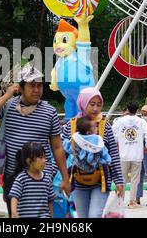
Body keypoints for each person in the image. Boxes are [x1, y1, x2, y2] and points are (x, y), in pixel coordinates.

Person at [0, 64, 70, 217]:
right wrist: (7, 96)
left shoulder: (49, 112)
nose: (36, 90)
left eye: (39, 86)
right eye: (31, 85)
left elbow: (57, 147)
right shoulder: (8, 106)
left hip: (41, 177)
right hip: (13, 175)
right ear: (20, 87)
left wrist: (65, 179)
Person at [62, 87, 124, 218]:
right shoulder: (71, 125)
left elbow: (113, 153)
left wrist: (119, 181)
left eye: (99, 105)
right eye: (92, 104)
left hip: (101, 181)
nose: (95, 108)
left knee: (94, 215)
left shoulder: (104, 125)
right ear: (83, 103)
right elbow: (62, 153)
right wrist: (62, 179)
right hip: (77, 181)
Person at [113, 102, 147, 209]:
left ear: (128, 109)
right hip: (137, 154)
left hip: (123, 154)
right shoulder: (141, 122)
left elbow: (113, 133)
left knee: (122, 179)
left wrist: (118, 142)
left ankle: (120, 201)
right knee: (135, 179)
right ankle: (132, 201)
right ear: (137, 110)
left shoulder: (120, 121)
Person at [9, 142, 57, 218]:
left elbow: (50, 199)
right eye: (41, 157)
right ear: (29, 161)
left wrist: (51, 215)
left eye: (45, 157)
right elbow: (14, 196)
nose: (44, 160)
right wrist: (14, 212)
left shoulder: (47, 178)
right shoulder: (21, 178)